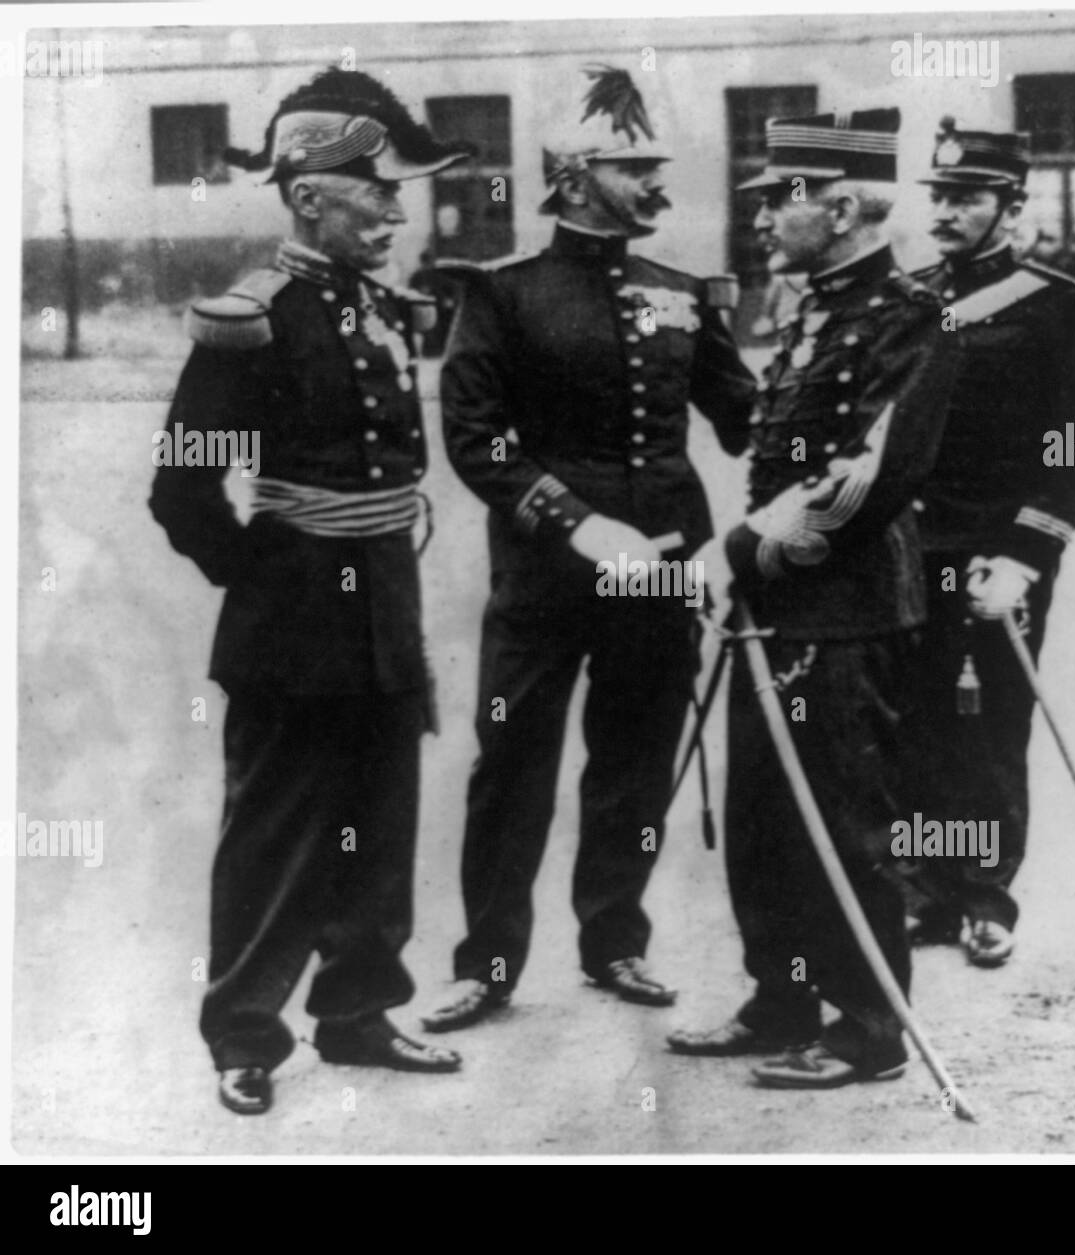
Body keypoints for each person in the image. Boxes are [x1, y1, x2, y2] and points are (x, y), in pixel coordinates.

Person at [149, 69, 472, 1115]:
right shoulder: (254, 320)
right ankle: (245, 1034)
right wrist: (268, 573)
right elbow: (184, 489)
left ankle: (359, 1011)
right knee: (277, 831)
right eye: (376, 189)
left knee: (380, 818)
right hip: (292, 619)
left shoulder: (378, 307)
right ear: (308, 198)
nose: (395, 208)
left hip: (384, 602)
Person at [425, 65, 755, 1032]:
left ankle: (615, 940)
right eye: (636, 167)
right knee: (511, 763)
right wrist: (580, 525)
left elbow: (747, 422)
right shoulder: (501, 295)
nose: (660, 184)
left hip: (663, 573)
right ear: (574, 178)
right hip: (542, 580)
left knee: (639, 761)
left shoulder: (685, 294)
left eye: (659, 165)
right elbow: (477, 439)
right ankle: (486, 964)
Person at [666, 108, 961, 1087]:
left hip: (848, 611)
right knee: (762, 817)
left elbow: (867, 474)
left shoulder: (910, 316)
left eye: (775, 200)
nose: (757, 218)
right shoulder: (807, 308)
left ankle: (870, 1027)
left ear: (839, 208)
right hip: (775, 607)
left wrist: (742, 550)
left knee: (843, 816)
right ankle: (781, 996)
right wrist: (744, 569)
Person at [899, 116, 1075, 967]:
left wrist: (1025, 555)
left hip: (994, 555)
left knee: (987, 722)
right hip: (910, 549)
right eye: (939, 196)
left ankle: (984, 893)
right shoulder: (910, 297)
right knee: (913, 717)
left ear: (1009, 205)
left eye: (967, 197)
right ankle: (925, 890)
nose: (947, 211)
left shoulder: (1056, 305)